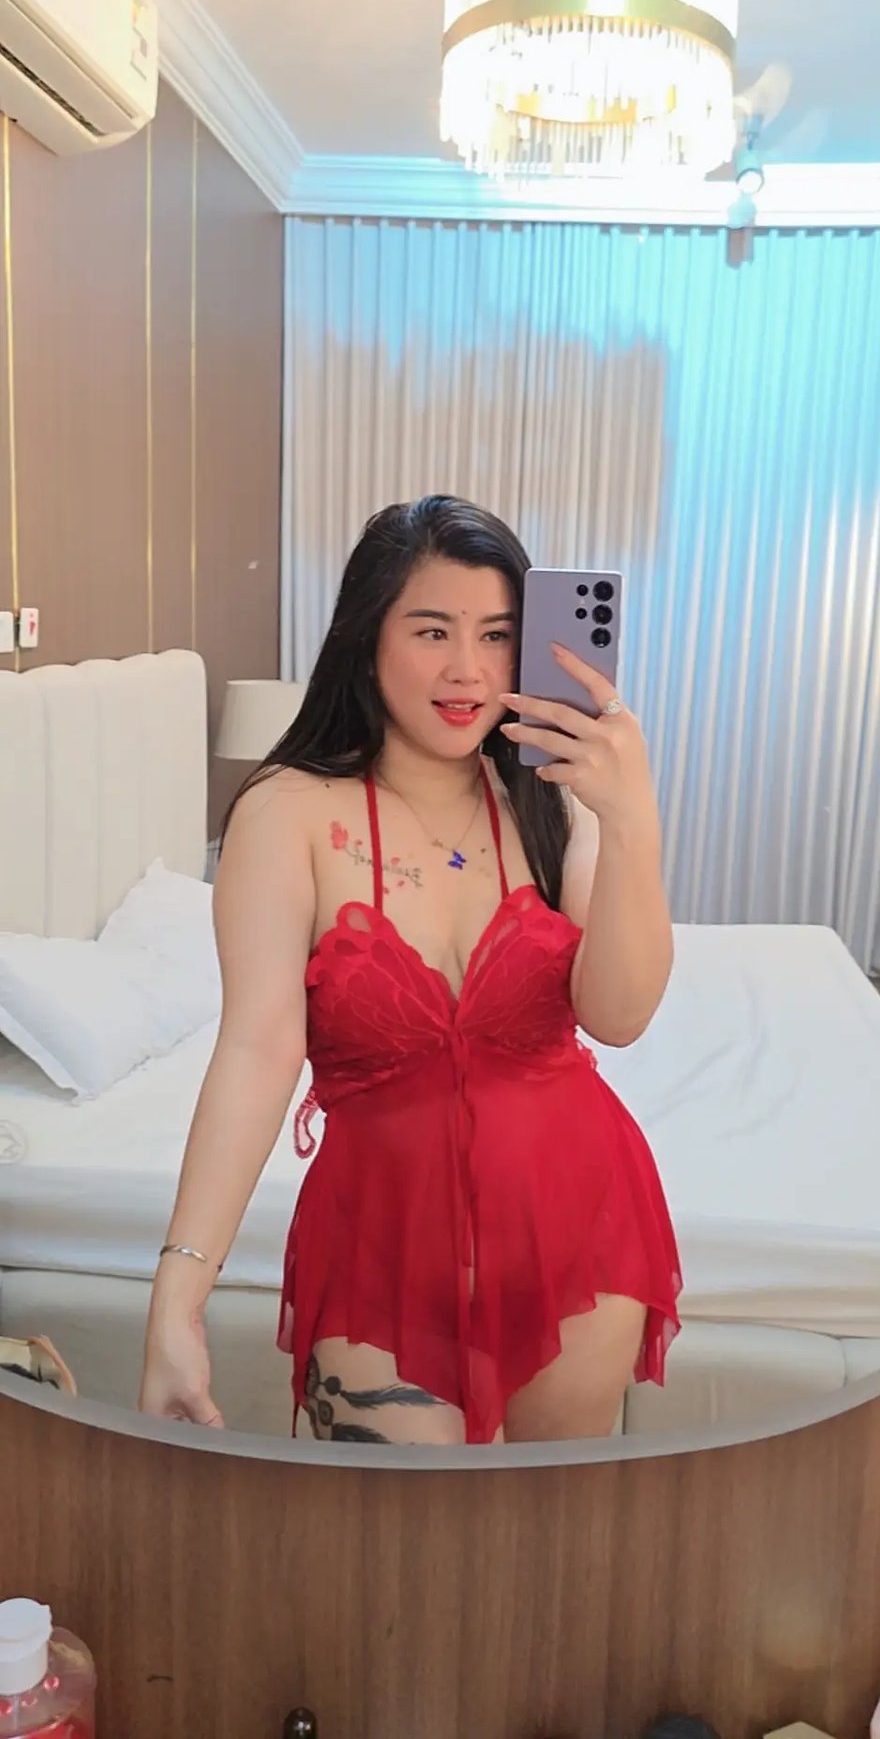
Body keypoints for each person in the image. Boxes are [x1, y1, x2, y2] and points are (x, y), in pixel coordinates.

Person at [140, 496, 681, 1444]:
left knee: (555, 1529)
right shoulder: (288, 812)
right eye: (432, 630)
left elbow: (620, 1015)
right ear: (369, 639)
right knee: (388, 1538)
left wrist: (632, 820)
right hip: (381, 1250)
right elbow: (258, 1050)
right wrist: (177, 1299)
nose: (467, 668)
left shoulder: (554, 799)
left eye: (496, 635)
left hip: (579, 1230)